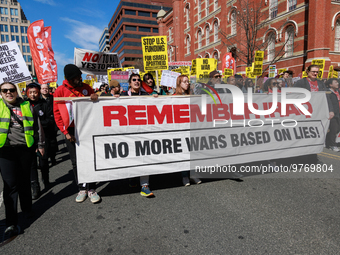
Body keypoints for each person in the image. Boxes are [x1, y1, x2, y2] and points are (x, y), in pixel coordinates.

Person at [0, 82, 44, 238]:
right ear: (1, 92)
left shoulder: (26, 105)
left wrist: (40, 144)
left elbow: (37, 127)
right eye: (5, 90)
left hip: (25, 149)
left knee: (24, 181)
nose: (8, 93)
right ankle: (11, 221)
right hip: (5, 151)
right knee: (10, 185)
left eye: (11, 90)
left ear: (16, 91)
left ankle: (27, 209)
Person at [53, 64, 101, 203]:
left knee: (90, 158)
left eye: (80, 76)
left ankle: (92, 188)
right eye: (77, 77)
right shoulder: (60, 91)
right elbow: (57, 114)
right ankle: (82, 188)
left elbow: (95, 105)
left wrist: (95, 96)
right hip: (71, 130)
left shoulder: (86, 88)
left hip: (87, 128)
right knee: (75, 161)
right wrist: (65, 133)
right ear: (69, 78)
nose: (80, 78)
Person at [121, 73, 155, 196]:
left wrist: (156, 98)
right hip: (128, 132)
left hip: (143, 131)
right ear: (129, 83)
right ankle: (133, 177)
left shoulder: (146, 95)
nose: (136, 82)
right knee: (132, 156)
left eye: (138, 80)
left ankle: (144, 185)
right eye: (134, 80)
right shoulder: (122, 96)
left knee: (144, 156)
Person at [26, 82, 54, 200]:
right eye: (30, 92)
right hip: (30, 139)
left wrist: (38, 126)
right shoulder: (24, 104)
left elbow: (50, 120)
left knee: (43, 161)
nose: (33, 95)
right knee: (32, 164)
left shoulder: (44, 103)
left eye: (35, 92)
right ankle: (35, 187)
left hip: (44, 138)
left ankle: (46, 180)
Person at [174, 75, 202, 186]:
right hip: (181, 129)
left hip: (192, 127)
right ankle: (185, 176)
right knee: (185, 153)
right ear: (179, 83)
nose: (187, 83)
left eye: (188, 82)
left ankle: (194, 174)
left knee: (193, 153)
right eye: (184, 82)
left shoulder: (192, 96)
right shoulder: (174, 97)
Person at [40, 83, 58, 166]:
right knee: (45, 143)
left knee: (53, 143)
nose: (45, 90)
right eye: (43, 88)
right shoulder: (39, 100)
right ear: (40, 90)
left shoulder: (53, 98)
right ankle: (44, 161)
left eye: (46, 88)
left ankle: (53, 157)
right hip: (43, 125)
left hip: (52, 125)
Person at [325, 78, 340, 151]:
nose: (337, 83)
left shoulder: (338, 91)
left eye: (337, 82)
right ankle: (332, 145)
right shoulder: (328, 92)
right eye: (335, 82)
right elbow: (328, 103)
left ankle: (327, 141)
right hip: (332, 113)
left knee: (337, 130)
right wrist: (331, 111)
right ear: (330, 84)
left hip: (338, 113)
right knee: (333, 130)